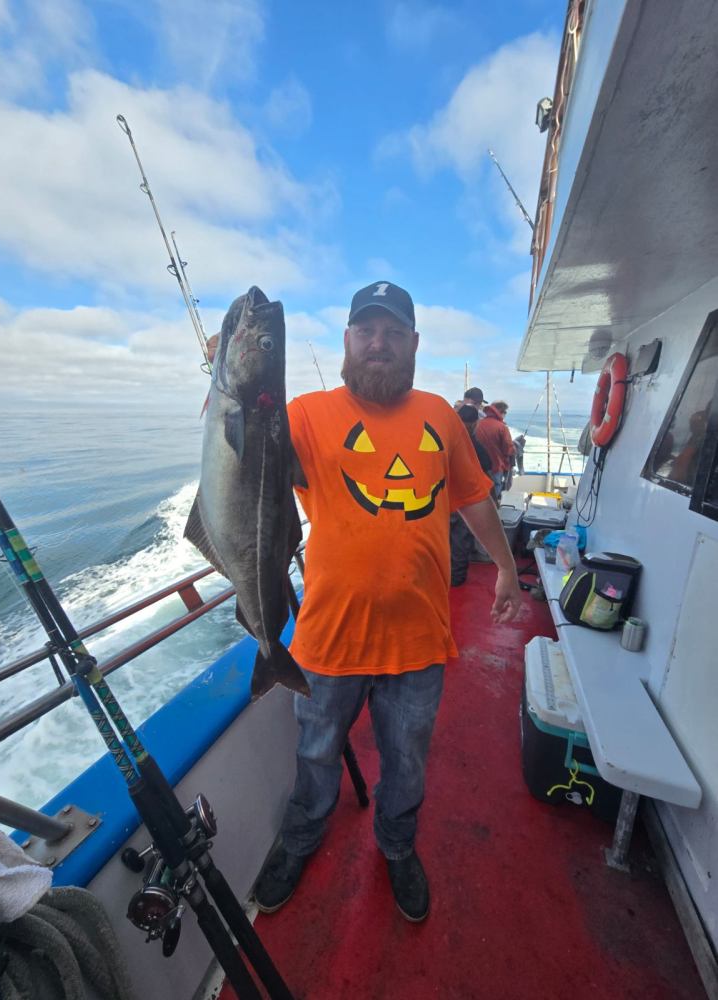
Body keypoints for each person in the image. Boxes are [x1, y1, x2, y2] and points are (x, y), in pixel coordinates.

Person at [252, 281, 522, 923]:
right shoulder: (304, 415)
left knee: (406, 763)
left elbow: (473, 497)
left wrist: (508, 570)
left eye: (393, 332)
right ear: (347, 340)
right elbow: (242, 454)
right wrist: (228, 370)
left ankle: (397, 848)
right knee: (316, 754)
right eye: (366, 331)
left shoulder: (439, 416)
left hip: (418, 640)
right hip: (327, 638)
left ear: (413, 344)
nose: (379, 344)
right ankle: (300, 840)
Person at [450, 405, 492, 586]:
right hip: (466, 500)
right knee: (461, 537)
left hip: (443, 497)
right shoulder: (475, 446)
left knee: (443, 537)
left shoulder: (447, 439)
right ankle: (457, 576)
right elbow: (487, 467)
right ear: (475, 423)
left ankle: (441, 573)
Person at [474, 400, 515, 503]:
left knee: (480, 488)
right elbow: (508, 449)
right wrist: (514, 449)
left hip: (479, 465)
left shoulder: (478, 424)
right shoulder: (502, 427)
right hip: (496, 465)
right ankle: (493, 509)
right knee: (496, 486)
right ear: (502, 412)